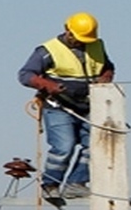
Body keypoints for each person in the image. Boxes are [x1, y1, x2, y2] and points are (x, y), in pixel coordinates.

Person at [18, 12, 115, 199]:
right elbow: (25, 74)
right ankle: (50, 185)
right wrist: (48, 85)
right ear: (67, 31)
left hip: (88, 106)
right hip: (58, 107)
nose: (81, 42)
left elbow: (108, 66)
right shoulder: (47, 50)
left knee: (95, 146)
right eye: (78, 38)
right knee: (64, 146)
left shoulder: (97, 46)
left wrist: (105, 77)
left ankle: (76, 184)